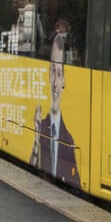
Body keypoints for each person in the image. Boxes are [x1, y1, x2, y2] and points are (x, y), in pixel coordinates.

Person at [30, 32, 80, 188]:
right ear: (48, 75)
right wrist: (36, 141)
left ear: (64, 80)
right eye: (53, 71)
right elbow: (31, 161)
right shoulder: (40, 127)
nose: (55, 83)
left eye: (59, 73)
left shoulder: (70, 140)